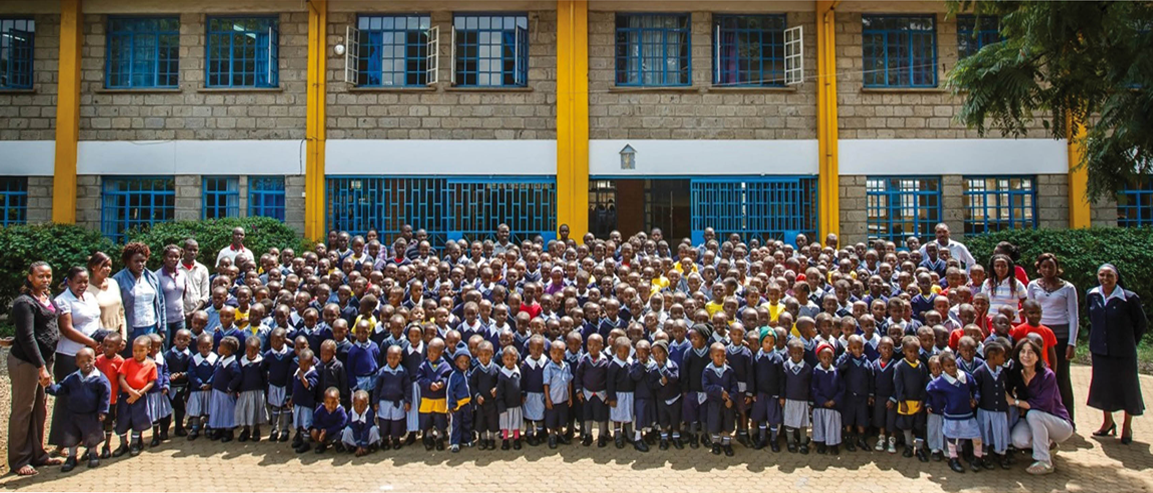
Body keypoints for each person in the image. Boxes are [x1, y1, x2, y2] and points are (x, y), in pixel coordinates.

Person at [7, 261, 64, 476]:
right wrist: (41, 366)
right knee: (24, 410)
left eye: (48, 276)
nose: (45, 280)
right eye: (40, 276)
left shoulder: (47, 298)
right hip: (27, 363)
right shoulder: (24, 302)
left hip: (44, 361)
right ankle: (19, 459)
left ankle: (38, 454)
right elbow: (28, 337)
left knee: (40, 409)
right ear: (30, 277)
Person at [1086, 263, 1147, 444]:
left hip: (1124, 352)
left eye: (1109, 275)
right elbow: (1091, 318)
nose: (1105, 279)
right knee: (1104, 387)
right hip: (1100, 350)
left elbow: (1140, 324)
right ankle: (1107, 422)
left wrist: (1129, 342)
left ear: (1117, 277)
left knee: (1127, 388)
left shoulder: (1128, 298)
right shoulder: (1092, 295)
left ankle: (1127, 426)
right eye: (1102, 275)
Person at [49, 266, 103, 452]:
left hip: (90, 355)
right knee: (67, 398)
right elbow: (67, 329)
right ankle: (61, 442)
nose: (83, 285)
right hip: (70, 356)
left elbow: (96, 319)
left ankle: (83, 438)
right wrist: (92, 343)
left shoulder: (89, 297)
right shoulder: (62, 300)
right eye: (79, 282)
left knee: (87, 398)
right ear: (69, 281)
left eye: (86, 281)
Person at [1026, 253, 1079, 424]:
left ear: (1057, 268)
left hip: (1061, 335)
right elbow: (1029, 310)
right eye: (1044, 267)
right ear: (1039, 268)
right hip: (1038, 334)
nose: (1048, 270)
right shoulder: (1033, 285)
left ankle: (1067, 417)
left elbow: (1073, 316)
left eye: (1051, 266)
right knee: (1039, 374)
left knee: (1061, 376)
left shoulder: (1068, 288)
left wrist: (1072, 342)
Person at [1008, 338, 1074, 475]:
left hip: (1059, 424)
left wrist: (1014, 402)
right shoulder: (1016, 373)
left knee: (1034, 413)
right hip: (1034, 421)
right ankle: (1048, 445)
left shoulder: (1047, 376)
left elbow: (1041, 405)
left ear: (1038, 356)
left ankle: (1044, 461)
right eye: (1023, 352)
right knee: (1017, 440)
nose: (1026, 356)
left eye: (1031, 352)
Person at [44, 347, 110, 472]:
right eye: (83, 361)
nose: (87, 364)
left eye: (89, 360)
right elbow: (61, 389)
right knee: (72, 436)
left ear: (95, 360)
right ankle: (72, 456)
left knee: (92, 436)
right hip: (73, 414)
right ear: (77, 363)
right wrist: (49, 386)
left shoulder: (100, 379)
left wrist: (103, 411)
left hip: (91, 414)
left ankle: (92, 454)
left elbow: (105, 396)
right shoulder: (72, 378)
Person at [926, 351, 983, 473]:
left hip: (967, 414)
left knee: (976, 436)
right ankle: (953, 458)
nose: (952, 368)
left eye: (953, 365)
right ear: (942, 368)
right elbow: (930, 389)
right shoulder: (941, 381)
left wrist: (975, 399)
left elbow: (975, 387)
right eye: (948, 366)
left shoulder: (965, 377)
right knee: (952, 438)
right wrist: (943, 402)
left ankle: (978, 457)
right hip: (951, 415)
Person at [113, 243, 167, 353]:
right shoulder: (118, 279)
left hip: (151, 326)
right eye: (136, 261)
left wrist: (162, 328)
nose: (140, 264)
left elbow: (160, 302)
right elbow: (117, 307)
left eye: (143, 261)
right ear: (128, 262)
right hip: (132, 329)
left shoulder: (152, 277)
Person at [116, 335, 158, 457]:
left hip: (140, 397)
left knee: (137, 420)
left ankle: (134, 444)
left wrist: (138, 393)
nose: (137, 354)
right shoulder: (127, 362)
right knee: (123, 420)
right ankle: (123, 444)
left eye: (141, 351)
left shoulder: (151, 365)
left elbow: (151, 382)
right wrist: (130, 391)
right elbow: (121, 378)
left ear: (148, 350)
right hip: (126, 397)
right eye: (135, 351)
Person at [86, 252, 126, 344]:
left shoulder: (113, 283)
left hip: (117, 336)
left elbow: (121, 311)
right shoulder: (87, 289)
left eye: (109, 266)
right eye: (104, 265)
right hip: (99, 339)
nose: (108, 269)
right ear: (93, 267)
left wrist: (123, 337)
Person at [156, 244, 189, 345]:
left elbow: (183, 294)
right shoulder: (157, 276)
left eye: (176, 257)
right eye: (170, 256)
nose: (173, 259)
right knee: (165, 349)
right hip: (165, 322)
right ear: (164, 258)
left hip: (180, 319)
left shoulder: (182, 274)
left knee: (180, 348)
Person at [983, 253, 1027, 322]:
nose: (1000, 269)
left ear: (1009, 267)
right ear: (993, 267)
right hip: (992, 321)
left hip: (1012, 322)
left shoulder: (1016, 284)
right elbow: (983, 301)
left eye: (1004, 266)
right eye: (997, 266)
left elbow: (1026, 301)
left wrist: (1020, 312)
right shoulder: (987, 283)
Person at [179, 239, 211, 325]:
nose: (192, 252)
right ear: (183, 250)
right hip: (179, 315)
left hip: (197, 314)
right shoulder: (176, 269)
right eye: (189, 250)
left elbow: (205, 295)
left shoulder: (202, 269)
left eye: (195, 250)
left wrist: (194, 312)